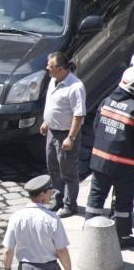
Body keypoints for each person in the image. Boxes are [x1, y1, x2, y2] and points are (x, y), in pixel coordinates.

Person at [85, 67, 134, 248]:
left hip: (100, 160)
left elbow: (96, 127)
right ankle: (121, 236)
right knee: (123, 202)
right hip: (125, 165)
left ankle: (90, 235)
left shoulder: (106, 101)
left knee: (96, 198)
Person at [40, 51, 86, 218]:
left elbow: (78, 115)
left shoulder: (75, 87)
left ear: (60, 68)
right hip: (52, 132)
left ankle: (70, 205)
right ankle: (59, 200)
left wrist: (71, 138)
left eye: (50, 66)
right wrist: (46, 122)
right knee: (53, 169)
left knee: (68, 173)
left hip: (66, 135)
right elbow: (53, 104)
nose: (47, 69)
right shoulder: (54, 80)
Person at [2, 175, 71, 270]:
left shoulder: (16, 217)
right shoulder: (52, 219)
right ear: (42, 195)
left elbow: (8, 251)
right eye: (49, 190)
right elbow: (61, 250)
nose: (51, 193)